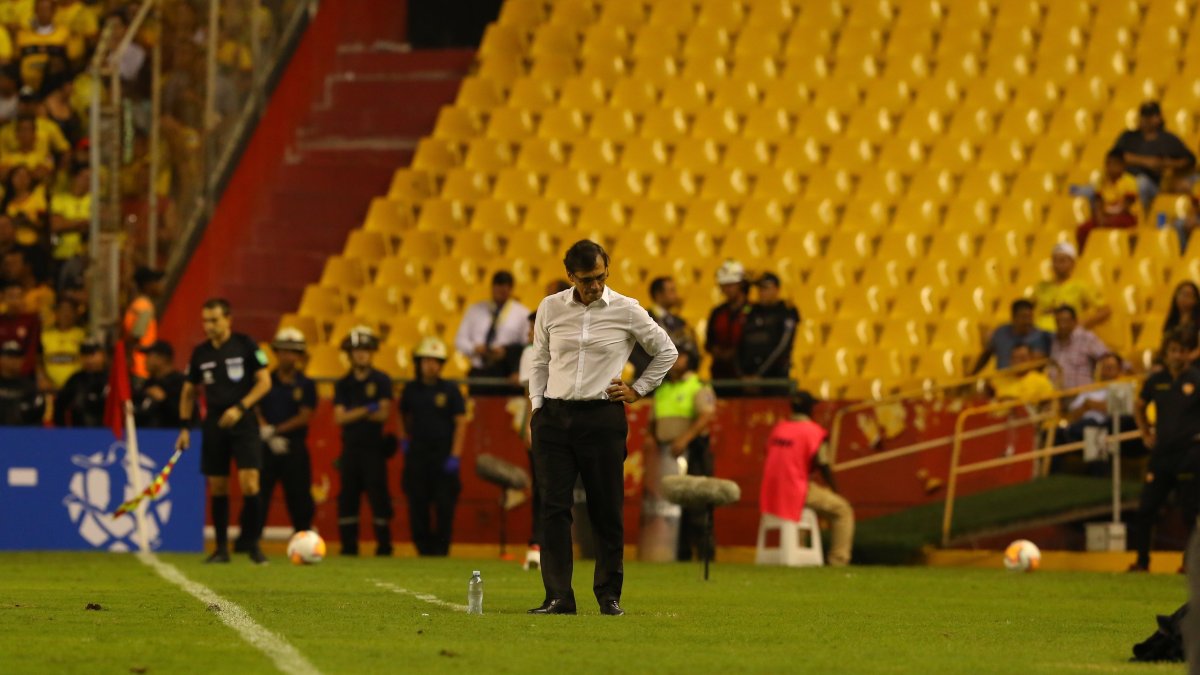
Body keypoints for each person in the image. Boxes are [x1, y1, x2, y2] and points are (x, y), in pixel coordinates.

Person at [527, 239, 677, 616]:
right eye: (585, 280)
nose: (593, 286)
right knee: (554, 509)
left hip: (601, 416)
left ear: (607, 269)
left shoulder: (627, 310)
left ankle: (608, 595)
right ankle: (558, 596)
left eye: (599, 277)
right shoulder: (550, 307)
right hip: (555, 418)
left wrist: (638, 389)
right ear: (570, 276)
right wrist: (537, 408)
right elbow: (539, 360)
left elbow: (667, 351)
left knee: (606, 508)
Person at [176, 298, 272, 565]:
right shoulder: (200, 354)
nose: (209, 326)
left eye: (214, 320)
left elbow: (265, 383)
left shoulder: (246, 345)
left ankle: (253, 544)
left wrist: (240, 407)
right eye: (205, 321)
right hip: (215, 424)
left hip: (244, 421)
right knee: (218, 486)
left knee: (250, 481)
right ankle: (221, 549)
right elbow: (188, 392)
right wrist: (185, 427)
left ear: (228, 319)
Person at [237, 328, 316, 547]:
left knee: (300, 499)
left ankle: (305, 543)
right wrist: (266, 432)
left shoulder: (306, 384)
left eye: (293, 352)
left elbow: (304, 416)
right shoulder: (265, 380)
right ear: (276, 353)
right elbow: (254, 407)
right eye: (283, 351)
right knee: (257, 495)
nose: (287, 356)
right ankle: (248, 542)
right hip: (265, 446)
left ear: (300, 356)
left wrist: (276, 431)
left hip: (294, 447)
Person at [1130, 331, 1200, 572]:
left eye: (1181, 350)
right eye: (1173, 350)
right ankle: (1141, 562)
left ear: (1188, 354)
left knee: (1189, 512)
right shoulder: (1155, 380)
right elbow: (1139, 405)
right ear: (1167, 353)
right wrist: (1145, 432)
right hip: (1161, 455)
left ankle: (1189, 564)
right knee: (1146, 509)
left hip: (1189, 454)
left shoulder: (1196, 379)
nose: (1177, 355)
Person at [641, 343, 716, 562]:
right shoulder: (663, 389)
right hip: (665, 455)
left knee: (696, 505)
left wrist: (685, 438)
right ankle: (679, 555)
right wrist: (650, 437)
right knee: (672, 508)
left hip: (692, 452)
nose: (674, 361)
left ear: (690, 360)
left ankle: (705, 556)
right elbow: (653, 421)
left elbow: (706, 416)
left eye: (679, 356)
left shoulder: (698, 386)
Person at [760, 390, 854, 566]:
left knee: (806, 505)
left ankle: (799, 554)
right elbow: (824, 464)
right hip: (795, 490)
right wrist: (836, 490)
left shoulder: (779, 429)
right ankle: (839, 561)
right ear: (811, 409)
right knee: (843, 510)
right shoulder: (815, 432)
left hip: (770, 492)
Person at [400, 336, 468, 556]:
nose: (431, 365)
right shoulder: (410, 389)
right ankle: (422, 548)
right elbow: (401, 415)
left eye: (435, 361)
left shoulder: (451, 390)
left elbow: (460, 423)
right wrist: (404, 440)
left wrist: (455, 455)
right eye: (426, 360)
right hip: (417, 454)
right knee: (417, 502)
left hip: (442, 454)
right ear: (418, 363)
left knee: (444, 505)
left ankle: (441, 549)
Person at [333, 326, 394, 557]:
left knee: (379, 497)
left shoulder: (381, 380)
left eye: (366, 350)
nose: (361, 354)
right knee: (348, 497)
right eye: (357, 350)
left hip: (374, 449)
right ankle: (349, 546)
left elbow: (384, 414)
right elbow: (339, 418)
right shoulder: (343, 383)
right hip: (350, 448)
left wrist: (354, 413)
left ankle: (384, 546)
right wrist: (368, 408)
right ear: (349, 354)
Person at [1053, 353, 1138, 474]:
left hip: (1105, 427)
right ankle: (1054, 474)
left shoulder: (1122, 387)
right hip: (1081, 426)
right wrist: (1092, 405)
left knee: (1093, 429)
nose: (1107, 370)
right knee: (1056, 432)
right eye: (1105, 367)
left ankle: (1098, 476)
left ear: (1119, 369)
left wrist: (1090, 405)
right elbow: (1074, 414)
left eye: (1111, 367)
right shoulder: (1090, 388)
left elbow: (1118, 411)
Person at [455, 270, 529, 395]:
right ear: (492, 288)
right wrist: (474, 348)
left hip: (506, 372)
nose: (501, 292)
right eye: (498, 287)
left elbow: (527, 345)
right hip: (479, 370)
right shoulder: (474, 310)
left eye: (505, 288)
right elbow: (459, 340)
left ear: (511, 289)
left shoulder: (522, 313)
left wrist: (507, 353)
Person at [1110, 101, 1195, 208]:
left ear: (1158, 118)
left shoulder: (1168, 139)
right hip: (1124, 180)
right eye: (1144, 116)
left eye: (1150, 116)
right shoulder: (1128, 137)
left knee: (1142, 182)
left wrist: (1167, 163)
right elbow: (1113, 157)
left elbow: (1190, 160)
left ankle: (1141, 218)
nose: (1146, 120)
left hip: (1153, 184)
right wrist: (1147, 162)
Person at [739, 272, 799, 395]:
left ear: (776, 289)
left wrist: (759, 374)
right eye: (760, 289)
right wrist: (744, 375)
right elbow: (740, 342)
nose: (761, 292)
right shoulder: (751, 311)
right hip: (748, 380)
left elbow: (782, 346)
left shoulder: (786, 311)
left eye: (765, 288)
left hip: (775, 378)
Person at [1031, 242, 1111, 332]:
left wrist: (1083, 323)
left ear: (1072, 263)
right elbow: (1026, 308)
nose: (1058, 265)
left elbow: (1105, 311)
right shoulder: (1041, 286)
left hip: (1067, 335)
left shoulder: (1081, 286)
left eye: (1062, 261)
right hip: (1040, 334)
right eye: (1055, 261)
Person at [629, 276, 696, 378]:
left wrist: (685, 360)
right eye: (671, 291)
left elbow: (692, 350)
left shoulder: (680, 322)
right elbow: (633, 353)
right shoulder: (642, 319)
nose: (676, 295)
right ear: (659, 295)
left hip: (678, 382)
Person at [517, 310, 542, 569]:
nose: (528, 332)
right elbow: (529, 393)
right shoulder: (529, 352)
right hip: (541, 422)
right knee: (542, 486)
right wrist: (528, 426)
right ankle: (537, 542)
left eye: (532, 326)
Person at [1075, 151, 1139, 251]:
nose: (1109, 167)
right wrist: (1100, 217)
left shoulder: (1130, 181)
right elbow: (1098, 202)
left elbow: (1125, 207)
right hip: (1105, 216)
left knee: (1112, 225)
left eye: (1113, 164)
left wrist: (1106, 218)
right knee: (1084, 229)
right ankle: (1083, 254)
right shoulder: (1101, 180)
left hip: (1126, 217)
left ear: (1122, 166)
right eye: (1108, 164)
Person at [971, 299, 1053, 374]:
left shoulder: (1041, 336)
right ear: (1013, 317)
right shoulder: (1000, 333)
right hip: (1003, 383)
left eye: (1030, 317)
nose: (1028, 321)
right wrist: (972, 375)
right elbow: (986, 354)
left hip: (1030, 386)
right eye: (1024, 317)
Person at [706, 260, 750, 397]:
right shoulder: (717, 312)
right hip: (720, 376)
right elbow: (709, 341)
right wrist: (717, 351)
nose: (727, 289)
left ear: (741, 285)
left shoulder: (754, 312)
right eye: (724, 286)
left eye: (731, 285)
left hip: (745, 376)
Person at [1050, 305, 1109, 391]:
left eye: (1065, 321)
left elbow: (1107, 357)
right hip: (1057, 396)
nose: (1062, 325)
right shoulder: (1053, 341)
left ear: (1075, 322)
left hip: (1082, 395)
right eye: (1059, 321)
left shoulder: (1086, 338)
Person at [133, 340, 190, 429]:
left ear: (162, 358)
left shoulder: (180, 382)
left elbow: (186, 414)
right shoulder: (149, 383)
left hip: (172, 435)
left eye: (149, 356)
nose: (145, 360)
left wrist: (164, 400)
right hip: (145, 435)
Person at [52, 336, 105, 427]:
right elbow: (59, 407)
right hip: (80, 433)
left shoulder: (111, 379)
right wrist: (63, 432)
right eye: (84, 355)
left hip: (109, 433)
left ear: (102, 355)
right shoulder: (75, 380)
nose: (89, 359)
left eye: (93, 354)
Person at [124, 266, 163, 384]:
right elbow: (136, 335)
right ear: (147, 285)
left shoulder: (136, 304)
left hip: (137, 365)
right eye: (157, 282)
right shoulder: (145, 306)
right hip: (141, 366)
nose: (160, 286)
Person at [40, 297, 82, 391]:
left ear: (75, 314)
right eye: (62, 310)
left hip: (76, 389)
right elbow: (38, 361)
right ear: (56, 313)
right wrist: (43, 379)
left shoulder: (82, 335)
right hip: (50, 390)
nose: (66, 314)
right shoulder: (44, 336)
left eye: (70, 311)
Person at [0, 279, 40, 379]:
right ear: (3, 298)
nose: (14, 301)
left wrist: (22, 369)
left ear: (23, 298)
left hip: (25, 375)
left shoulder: (32, 321)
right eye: (11, 297)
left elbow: (32, 350)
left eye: (18, 297)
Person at [989, 344, 1056, 402]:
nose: (1018, 362)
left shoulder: (1042, 382)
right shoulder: (999, 378)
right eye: (1014, 358)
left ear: (1031, 359)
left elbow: (1048, 409)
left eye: (1022, 358)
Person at [0, 338, 41, 424]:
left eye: (17, 356)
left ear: (22, 360)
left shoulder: (30, 386)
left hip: (22, 434)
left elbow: (36, 417)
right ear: (1, 359)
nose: (14, 360)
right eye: (9, 356)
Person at [1162, 281, 1200, 364]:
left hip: (1194, 363)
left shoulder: (1198, 321)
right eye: (1181, 294)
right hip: (1172, 363)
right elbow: (1164, 346)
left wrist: (1184, 359)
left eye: (1188, 295)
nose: (1184, 298)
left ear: (1196, 299)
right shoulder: (1171, 321)